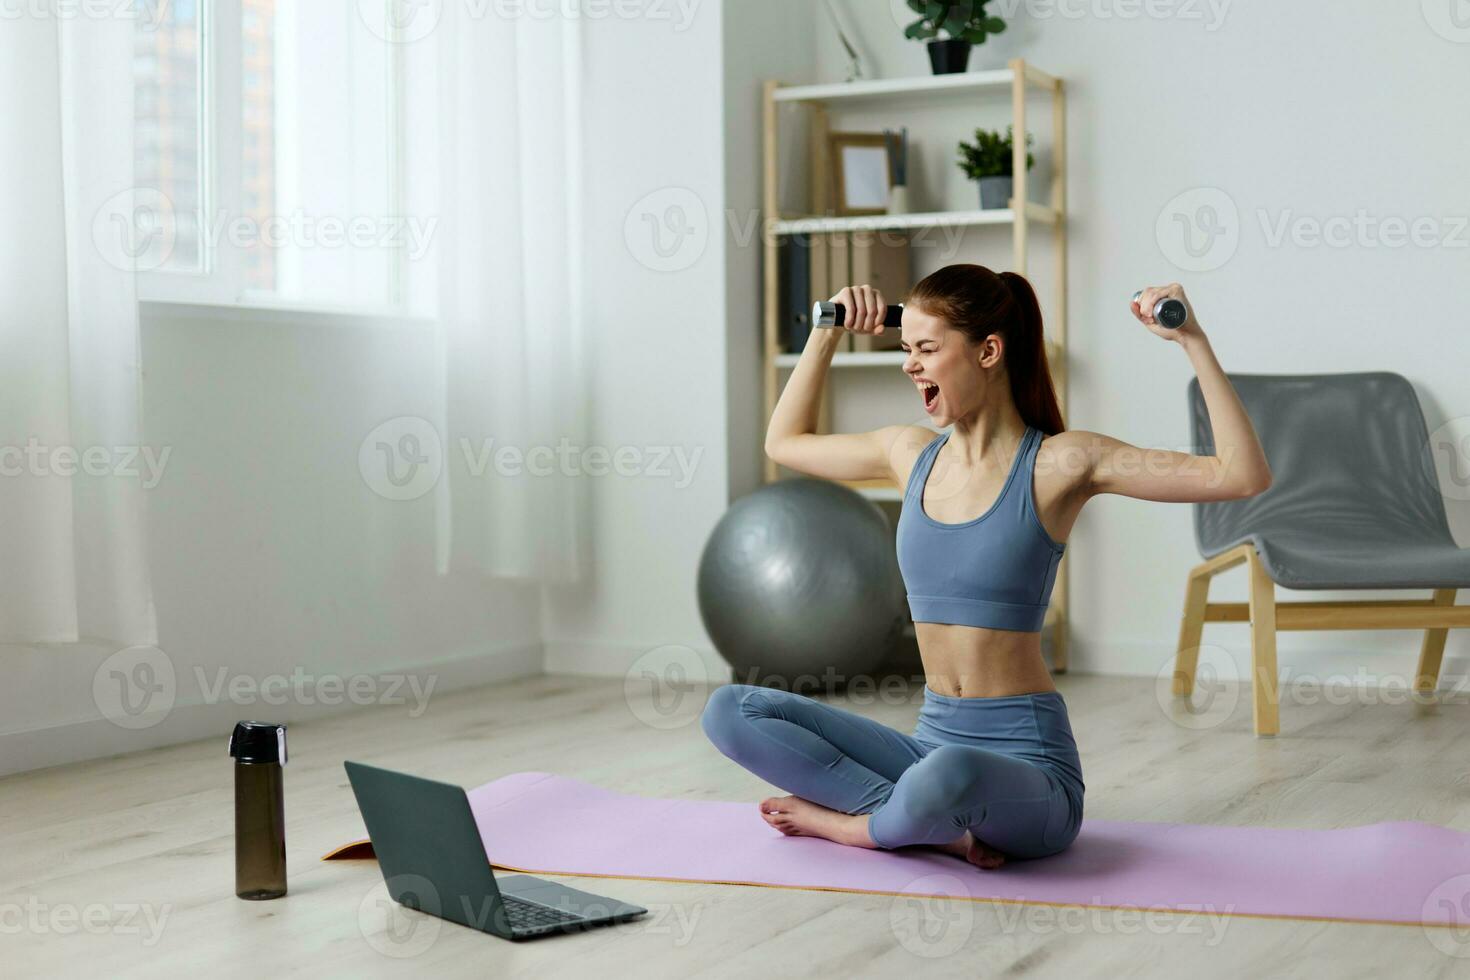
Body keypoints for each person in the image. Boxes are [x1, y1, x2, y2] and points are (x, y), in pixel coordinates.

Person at [700, 265, 1272, 868]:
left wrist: (1193, 341)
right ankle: (931, 826)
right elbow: (784, 442)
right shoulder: (910, 454)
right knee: (732, 711)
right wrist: (827, 328)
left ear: (989, 351)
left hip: (1032, 777)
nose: (908, 365)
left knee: (948, 772)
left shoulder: (1061, 462)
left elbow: (1239, 474)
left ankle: (860, 828)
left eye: (926, 349)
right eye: (905, 350)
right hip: (932, 748)